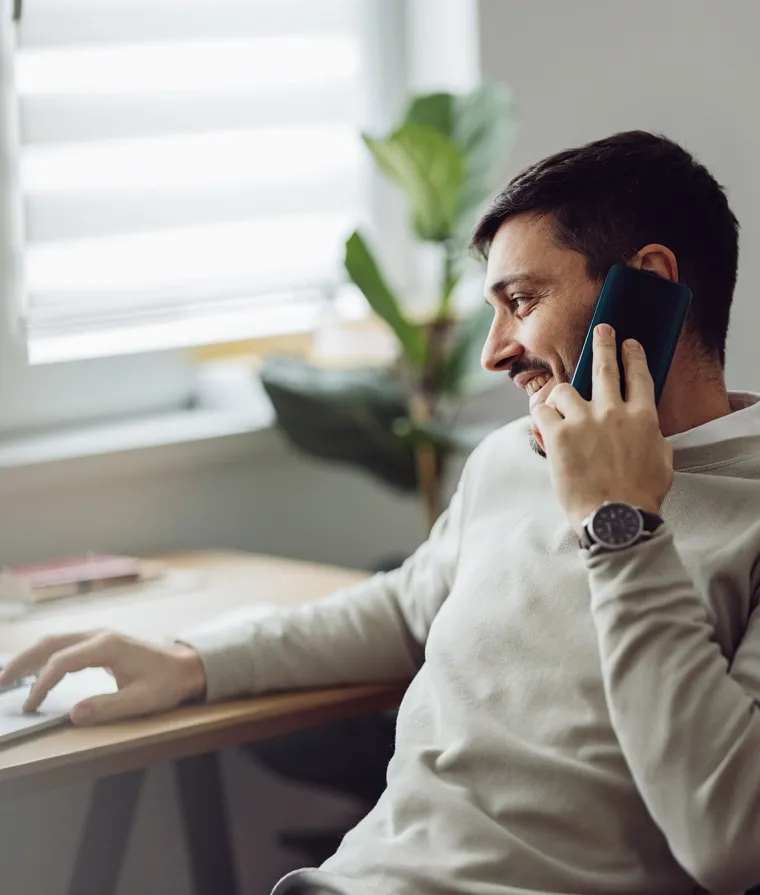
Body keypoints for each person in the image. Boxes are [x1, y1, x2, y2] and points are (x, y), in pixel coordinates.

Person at [2, 130, 760, 895]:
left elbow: (725, 836)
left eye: (521, 301)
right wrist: (192, 660)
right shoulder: (513, 457)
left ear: (650, 283)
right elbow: (404, 608)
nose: (494, 352)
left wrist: (619, 523)